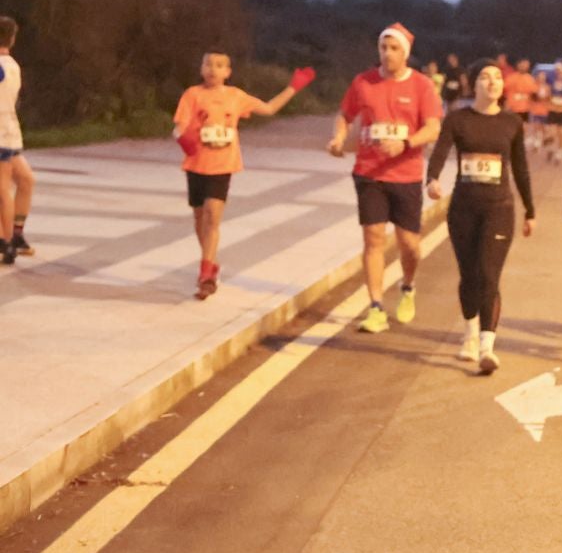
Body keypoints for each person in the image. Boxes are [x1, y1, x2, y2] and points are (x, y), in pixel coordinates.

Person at [328, 24, 443, 333]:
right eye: (383, 48)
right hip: (369, 172)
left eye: (394, 49)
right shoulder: (363, 82)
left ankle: (407, 285)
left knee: (409, 245)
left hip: (405, 175)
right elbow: (344, 114)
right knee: (373, 238)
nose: (387, 54)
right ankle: (376, 306)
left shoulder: (421, 86)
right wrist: (338, 138)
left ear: (405, 53)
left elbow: (433, 128)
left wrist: (405, 143)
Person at [171, 53, 311, 298]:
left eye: (219, 66)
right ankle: (211, 262)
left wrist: (293, 88)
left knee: (213, 217)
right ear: (201, 68)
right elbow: (179, 126)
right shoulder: (192, 95)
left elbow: (268, 108)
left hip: (222, 165)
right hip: (196, 165)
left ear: (228, 71)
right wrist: (184, 140)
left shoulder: (236, 97)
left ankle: (205, 274)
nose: (213, 70)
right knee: (199, 218)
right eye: (208, 64)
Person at [427, 62, 534, 376]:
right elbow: (440, 151)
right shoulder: (458, 119)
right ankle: (470, 333)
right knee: (469, 275)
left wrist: (531, 210)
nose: (493, 82)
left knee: (489, 275)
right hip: (463, 208)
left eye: (498, 77)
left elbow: (521, 168)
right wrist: (431, 178)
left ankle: (487, 346)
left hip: (499, 209)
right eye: (485, 77)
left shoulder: (512, 123)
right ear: (473, 84)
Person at [0, 15, 34, 265]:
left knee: (6, 186)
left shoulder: (5, 66)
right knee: (24, 179)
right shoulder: (12, 64)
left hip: (3, 129)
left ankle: (8, 240)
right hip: (9, 128)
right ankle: (13, 236)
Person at [505, 59, 537, 125]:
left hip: (525, 110)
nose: (524, 67)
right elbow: (504, 93)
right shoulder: (510, 78)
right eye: (522, 65)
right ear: (518, 65)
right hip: (512, 109)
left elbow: (534, 94)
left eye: (526, 65)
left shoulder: (530, 79)